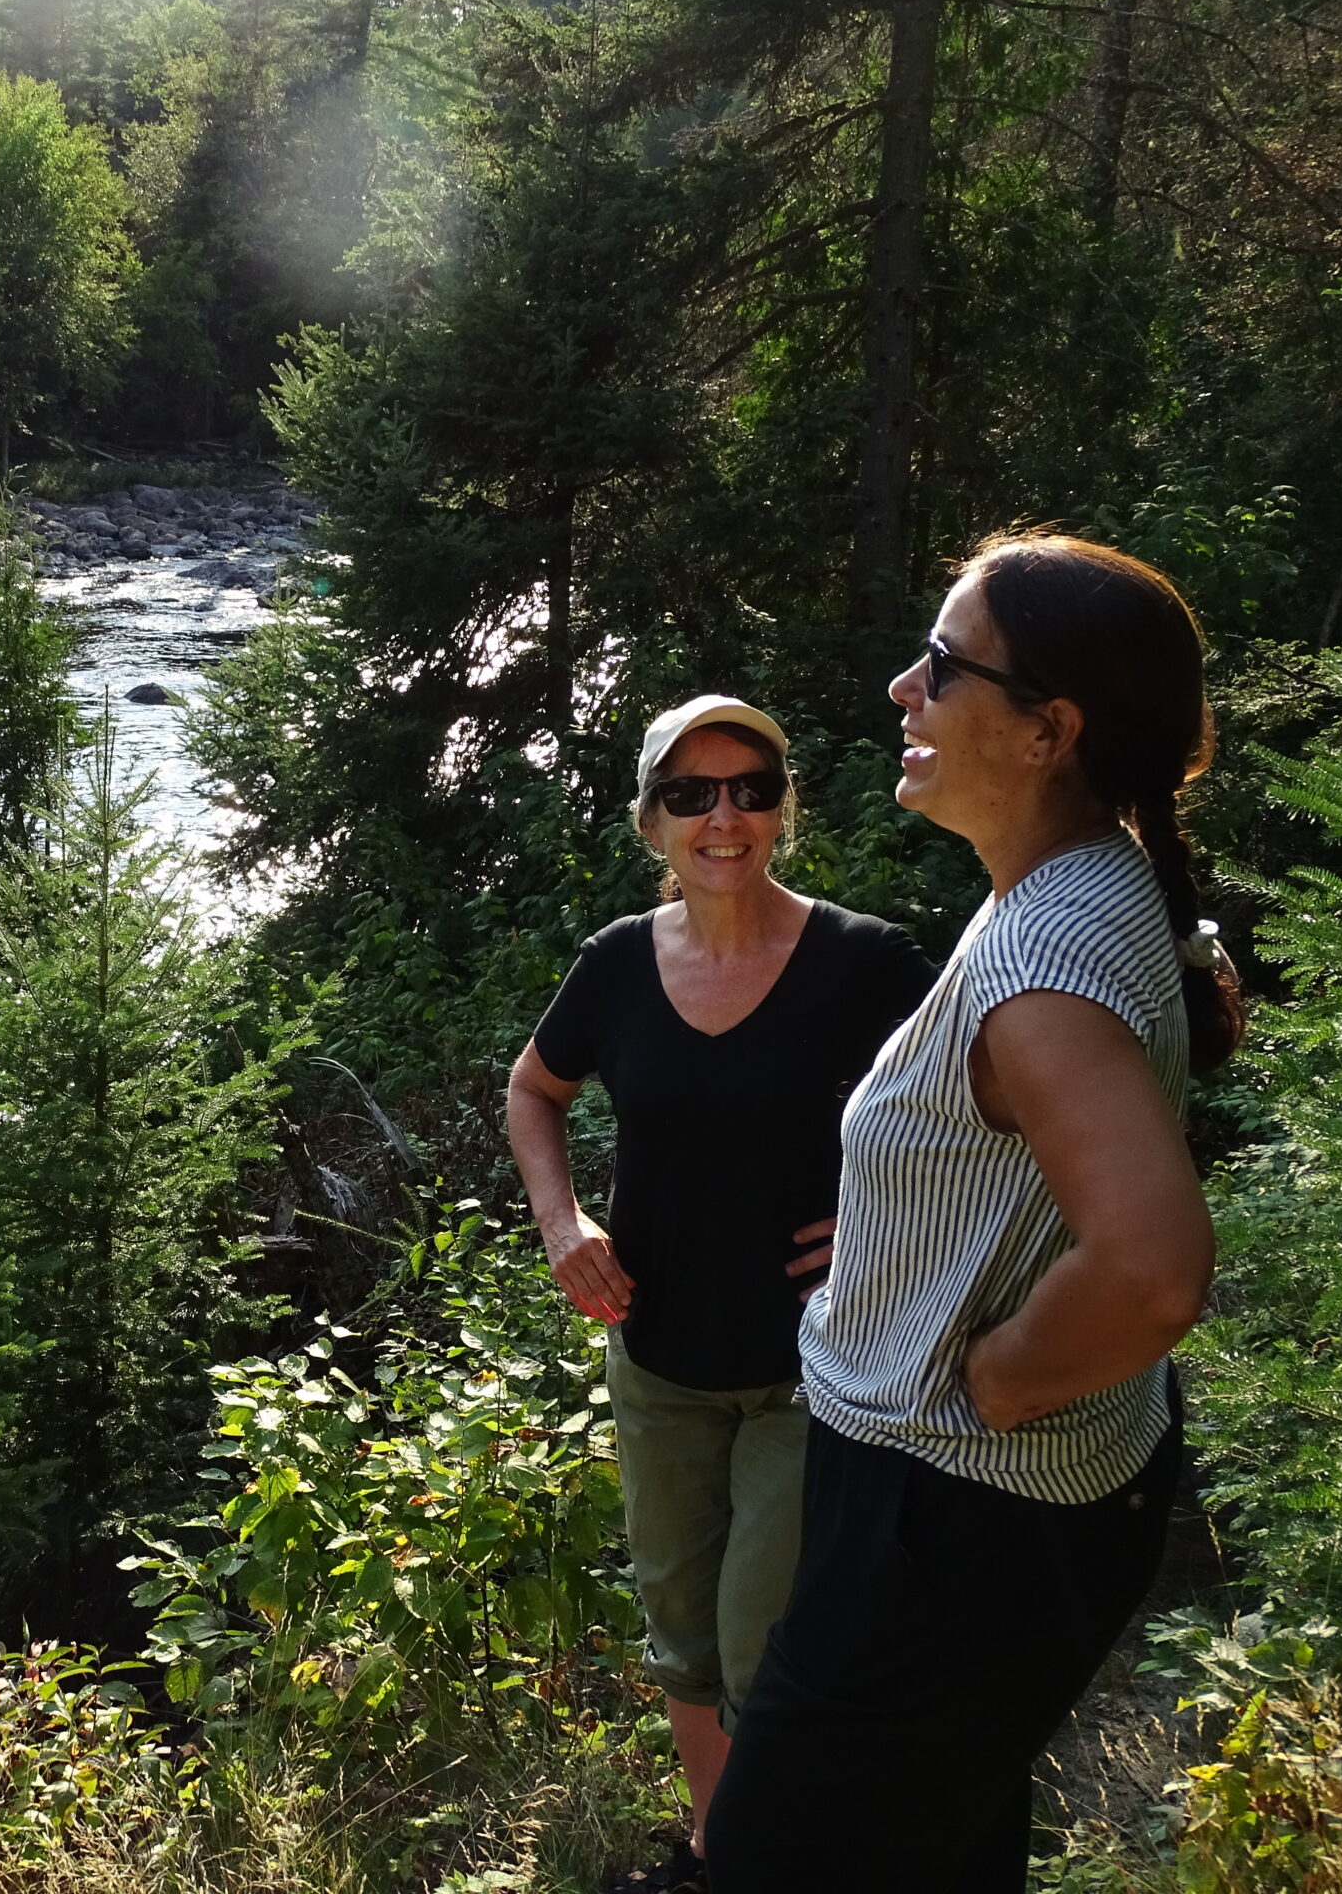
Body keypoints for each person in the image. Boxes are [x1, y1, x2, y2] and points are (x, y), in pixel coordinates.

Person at [711, 536, 1245, 1894]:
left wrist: (1001, 1376)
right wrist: (908, 1242)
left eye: (943, 667)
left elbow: (1149, 1270)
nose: (904, 687)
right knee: (936, 1848)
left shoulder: (1042, 962)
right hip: (1010, 1511)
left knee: (781, 1861)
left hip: (947, 1517)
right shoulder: (1099, 875)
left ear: (1046, 731)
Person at [507, 695, 936, 1890]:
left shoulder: (867, 961)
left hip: (815, 1367)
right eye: (690, 795)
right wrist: (561, 1221)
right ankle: (719, 1851)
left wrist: (881, 1227)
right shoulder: (616, 963)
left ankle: (775, 1858)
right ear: (652, 821)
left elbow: (987, 1113)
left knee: (762, 1638)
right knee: (683, 1630)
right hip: (653, 1358)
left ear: (784, 806)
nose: (724, 816)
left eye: (750, 787)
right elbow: (532, 1089)